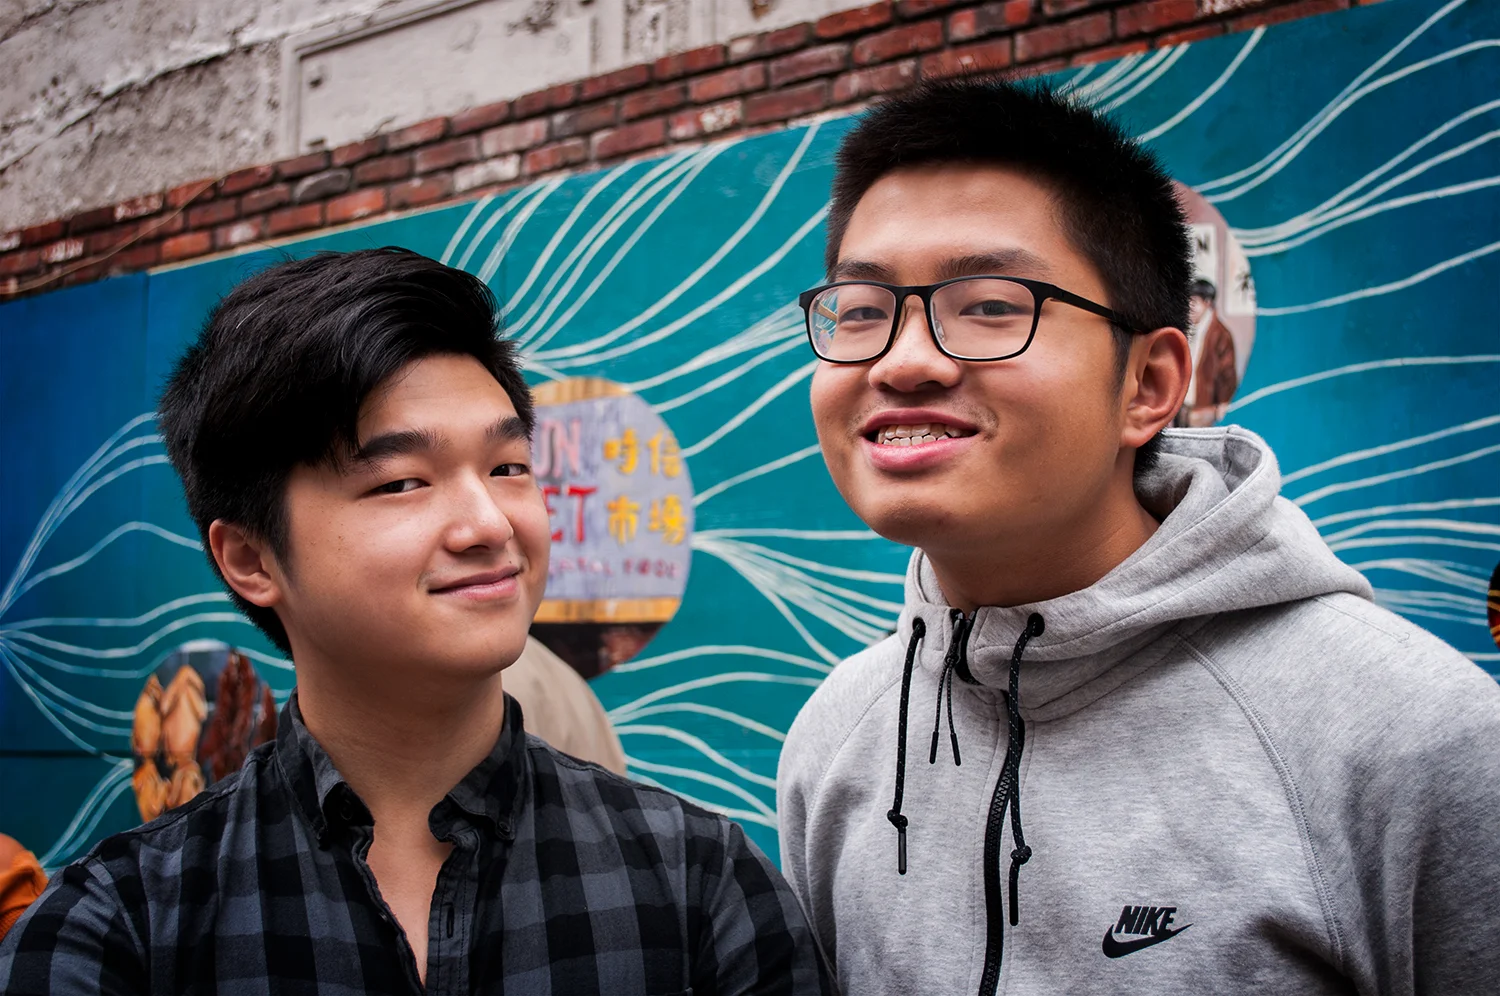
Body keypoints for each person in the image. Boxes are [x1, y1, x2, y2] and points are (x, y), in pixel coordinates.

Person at [777, 79, 1500, 995]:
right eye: (862, 312)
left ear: (1149, 384)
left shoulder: (1410, 738)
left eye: (992, 305)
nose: (906, 360)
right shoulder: (835, 736)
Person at [0, 248, 831, 995]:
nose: (489, 524)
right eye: (402, 482)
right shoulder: (121, 928)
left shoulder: (701, 884)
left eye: (508, 467)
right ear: (250, 559)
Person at [1174, 277, 1237, 427]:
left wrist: (1222, 403)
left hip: (1203, 409)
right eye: (1187, 301)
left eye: (1194, 302)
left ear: (1207, 303)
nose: (1189, 307)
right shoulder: (1186, 328)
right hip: (1182, 407)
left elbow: (1227, 373)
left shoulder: (1220, 335)